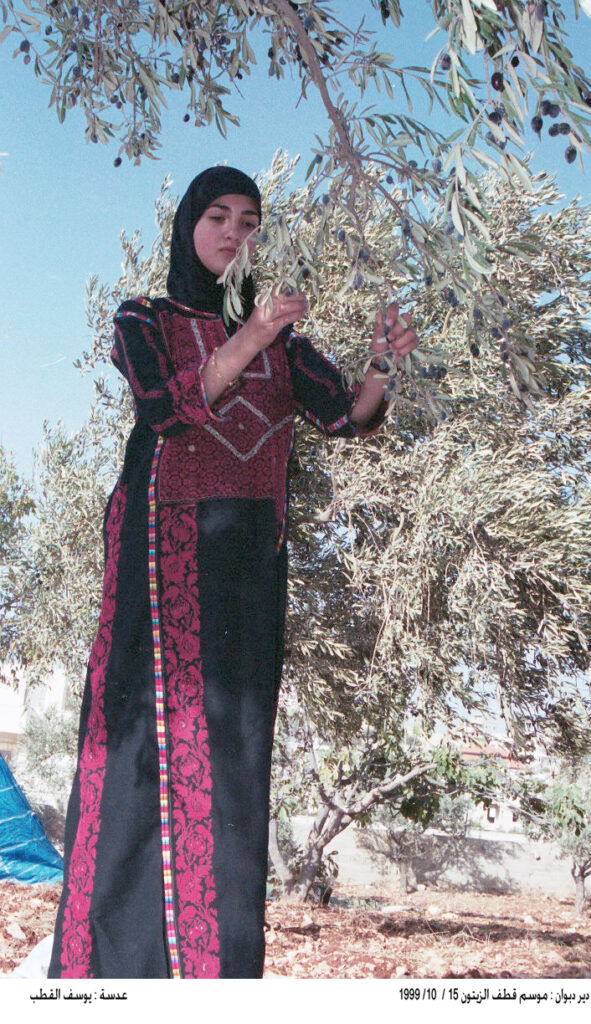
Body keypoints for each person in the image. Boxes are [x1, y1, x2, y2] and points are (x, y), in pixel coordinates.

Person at [48, 166, 418, 979]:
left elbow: (345, 417)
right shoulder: (144, 317)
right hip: (163, 554)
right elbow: (166, 407)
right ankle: (113, 963)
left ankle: (212, 972)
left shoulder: (283, 344)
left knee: (232, 760)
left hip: (250, 566)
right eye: (217, 216)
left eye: (248, 221)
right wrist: (248, 335)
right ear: (188, 226)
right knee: (142, 744)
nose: (233, 233)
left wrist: (383, 365)